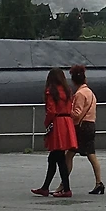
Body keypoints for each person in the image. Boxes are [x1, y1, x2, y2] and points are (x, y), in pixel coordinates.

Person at [33, 67, 77, 197]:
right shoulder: (68, 91)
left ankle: (65, 189)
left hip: (58, 123)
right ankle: (46, 187)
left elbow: (51, 111)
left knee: (58, 157)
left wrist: (47, 123)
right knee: (55, 157)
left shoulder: (51, 91)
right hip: (67, 122)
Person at [66, 64, 104, 195]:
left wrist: (67, 110)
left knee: (69, 155)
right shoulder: (90, 93)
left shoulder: (80, 94)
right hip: (90, 125)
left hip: (81, 127)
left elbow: (77, 114)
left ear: (73, 81)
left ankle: (63, 184)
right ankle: (99, 182)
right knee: (91, 154)